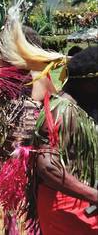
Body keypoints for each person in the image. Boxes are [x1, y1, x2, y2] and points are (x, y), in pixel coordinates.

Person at [32, 46, 98, 235]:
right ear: (91, 83)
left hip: (83, 205)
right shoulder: (62, 111)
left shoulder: (82, 108)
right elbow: (47, 167)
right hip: (66, 208)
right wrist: (93, 195)